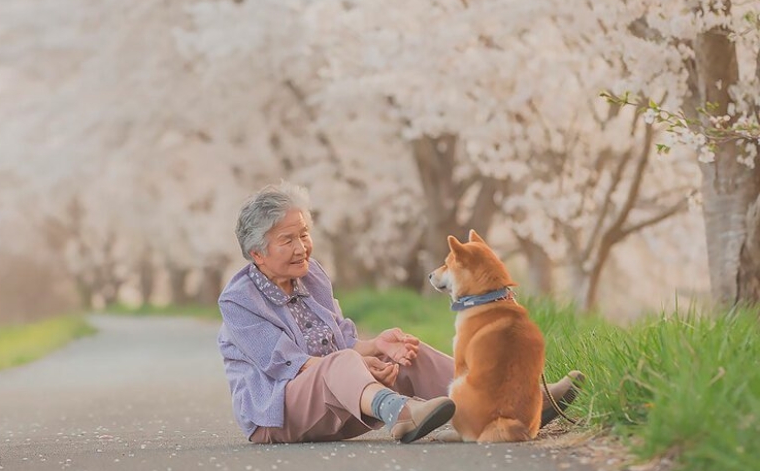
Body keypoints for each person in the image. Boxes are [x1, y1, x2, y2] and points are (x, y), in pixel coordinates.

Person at [217, 183, 581, 445]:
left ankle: (517, 400)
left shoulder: (311, 276)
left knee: (408, 352)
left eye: (305, 234)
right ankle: (402, 414)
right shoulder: (238, 301)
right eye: (288, 240)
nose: (302, 248)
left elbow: (341, 343)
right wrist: (357, 364)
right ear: (257, 254)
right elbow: (288, 363)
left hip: (342, 405)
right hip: (278, 417)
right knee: (343, 362)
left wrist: (378, 346)